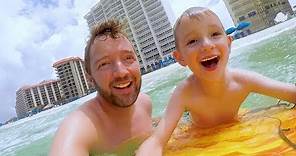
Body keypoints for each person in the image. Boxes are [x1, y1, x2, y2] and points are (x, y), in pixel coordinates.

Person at [136, 7, 296, 156]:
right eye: (192, 41)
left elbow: (291, 92)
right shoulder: (184, 93)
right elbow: (157, 140)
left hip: (237, 119)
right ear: (180, 58)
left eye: (214, 34)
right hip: (195, 128)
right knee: (164, 125)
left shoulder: (244, 80)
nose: (206, 45)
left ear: (228, 42)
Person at [50, 19, 153, 156]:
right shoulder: (80, 126)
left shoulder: (145, 103)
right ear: (90, 79)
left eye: (128, 58)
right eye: (104, 64)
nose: (121, 72)